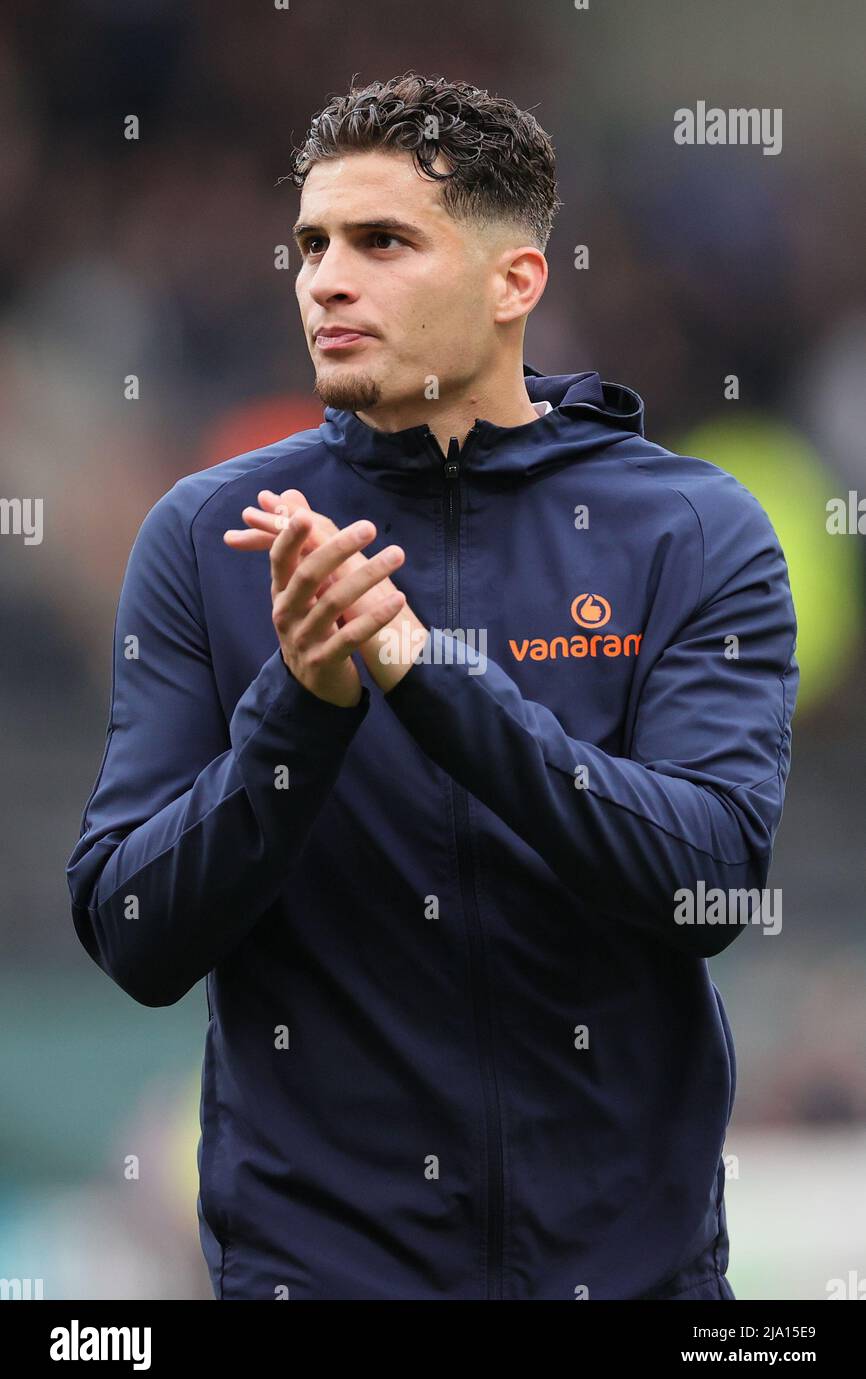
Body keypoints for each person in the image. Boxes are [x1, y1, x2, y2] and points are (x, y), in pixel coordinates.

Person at [66, 72, 798, 1300]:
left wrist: (422, 672)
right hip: (320, 1276)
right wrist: (300, 706)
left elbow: (709, 885)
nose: (324, 279)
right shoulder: (211, 535)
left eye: (380, 241)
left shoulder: (689, 526)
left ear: (515, 282)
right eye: (308, 244)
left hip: (635, 1280)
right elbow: (134, 933)